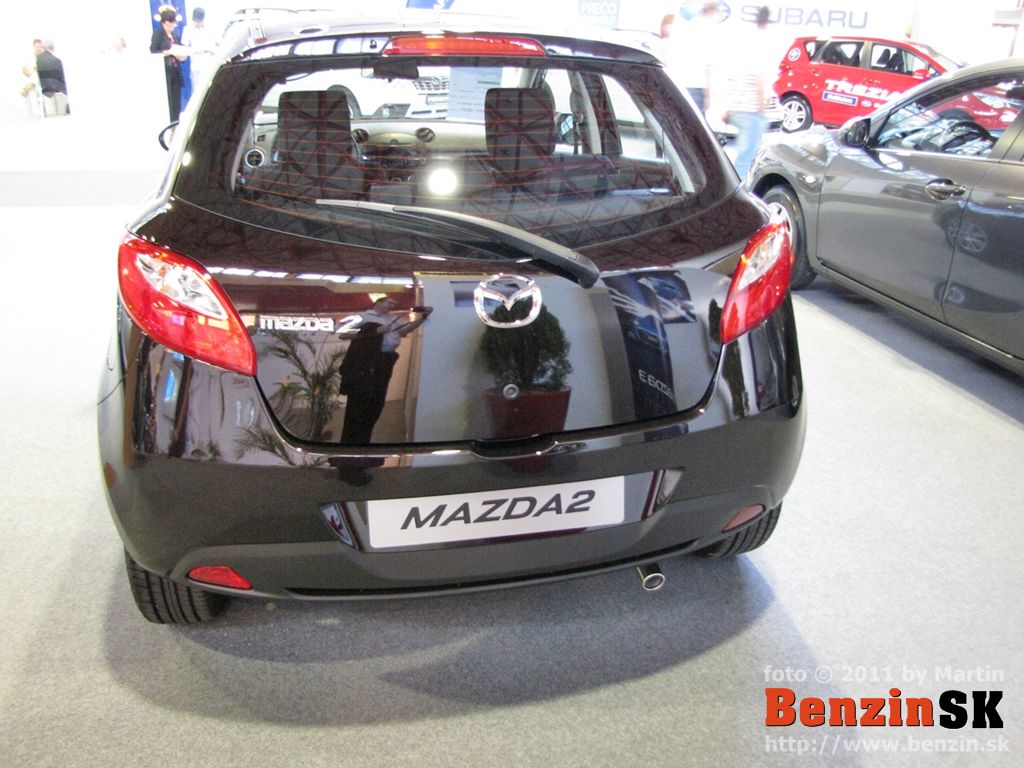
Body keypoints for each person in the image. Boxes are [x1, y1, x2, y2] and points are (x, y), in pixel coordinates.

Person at [338, 298, 433, 445]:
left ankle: (364, 440)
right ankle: (350, 443)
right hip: (366, 363)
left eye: (394, 303)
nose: (393, 305)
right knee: (359, 403)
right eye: (389, 302)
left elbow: (403, 331)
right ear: (378, 303)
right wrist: (376, 331)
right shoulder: (362, 316)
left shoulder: (392, 318)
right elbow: (344, 335)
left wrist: (422, 318)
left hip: (385, 363)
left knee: (376, 403)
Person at [717, 5, 775, 178]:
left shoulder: (747, 42)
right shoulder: (762, 45)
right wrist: (763, 109)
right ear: (767, 23)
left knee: (744, 155)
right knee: (747, 158)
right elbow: (759, 80)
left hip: (738, 107)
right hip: (751, 110)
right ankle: (738, 189)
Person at [660, 1, 721, 111]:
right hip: (695, 85)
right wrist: (708, 96)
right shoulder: (709, 29)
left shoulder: (682, 25)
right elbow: (708, 66)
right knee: (691, 121)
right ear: (712, 11)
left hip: (675, 83)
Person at [151, 5, 187, 122]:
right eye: (173, 23)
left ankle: (176, 122)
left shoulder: (175, 36)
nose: (174, 25)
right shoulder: (158, 34)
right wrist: (168, 52)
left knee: (176, 100)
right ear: (166, 22)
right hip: (166, 72)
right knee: (168, 101)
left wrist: (181, 56)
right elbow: (153, 50)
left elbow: (180, 49)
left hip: (176, 71)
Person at [181, 7, 216, 89]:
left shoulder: (210, 28)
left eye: (200, 20)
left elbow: (218, 43)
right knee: (197, 89)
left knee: (210, 88)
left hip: (208, 62)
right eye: (196, 20)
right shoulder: (188, 29)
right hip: (195, 64)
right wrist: (194, 51)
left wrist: (212, 50)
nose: (198, 23)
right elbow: (184, 47)